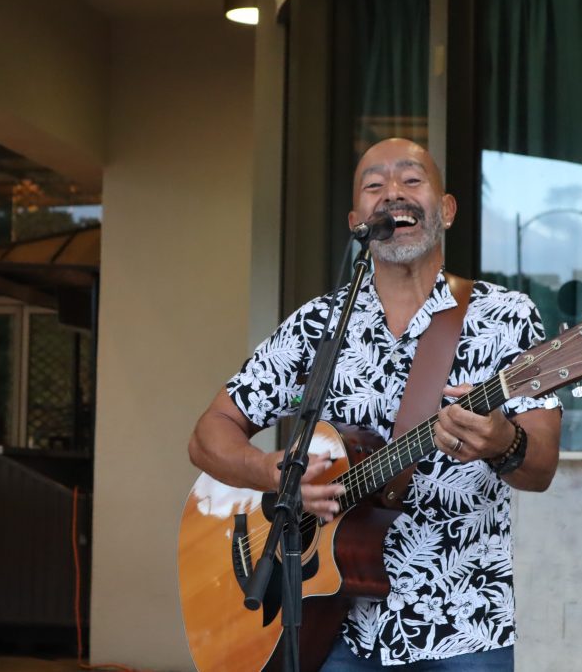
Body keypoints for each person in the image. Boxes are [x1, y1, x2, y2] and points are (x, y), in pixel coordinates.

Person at [188, 138, 562, 670]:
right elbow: (210, 432)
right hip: (329, 624)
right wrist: (271, 472)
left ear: (447, 210)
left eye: (412, 180)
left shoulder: (504, 317)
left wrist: (505, 442)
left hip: (462, 625)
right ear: (356, 220)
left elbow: (541, 466)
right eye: (374, 185)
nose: (393, 194)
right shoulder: (318, 324)